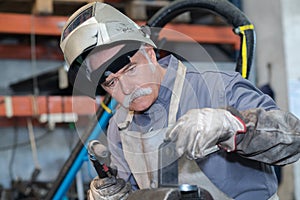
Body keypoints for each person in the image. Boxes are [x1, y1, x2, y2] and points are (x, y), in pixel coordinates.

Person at [60, 2, 300, 200]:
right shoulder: (119, 127)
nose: (126, 88)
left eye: (130, 69)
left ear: (150, 53)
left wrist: (234, 127)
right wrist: (116, 196)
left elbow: (294, 139)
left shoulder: (218, 88)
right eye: (111, 83)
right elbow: (134, 193)